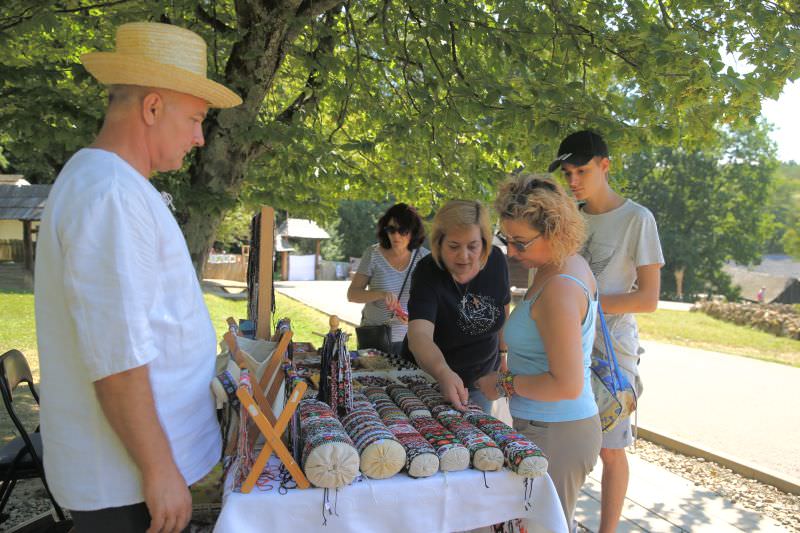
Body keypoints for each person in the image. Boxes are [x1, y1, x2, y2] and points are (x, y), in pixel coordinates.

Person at [34, 22, 241, 533]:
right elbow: (117, 358)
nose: (198, 137)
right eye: (195, 119)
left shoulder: (113, 184)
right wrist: (158, 469)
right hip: (121, 477)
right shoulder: (110, 195)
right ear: (152, 108)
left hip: (128, 469)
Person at [548, 130, 664, 533]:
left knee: (612, 452)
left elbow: (648, 298)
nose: (574, 180)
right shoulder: (568, 220)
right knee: (567, 447)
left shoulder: (637, 218)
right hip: (565, 349)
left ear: (604, 166)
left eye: (581, 170)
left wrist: (586, 303)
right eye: (567, 173)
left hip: (612, 354)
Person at [476, 173, 602, 529]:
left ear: (555, 231)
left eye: (520, 243)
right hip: (552, 426)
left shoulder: (560, 287)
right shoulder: (558, 265)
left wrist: (501, 384)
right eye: (507, 239)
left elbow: (565, 384)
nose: (511, 252)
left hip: (558, 430)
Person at [404, 200, 510, 413]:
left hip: (481, 377)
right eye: (453, 246)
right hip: (429, 378)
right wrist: (443, 372)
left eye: (473, 246)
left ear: (485, 243)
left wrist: (503, 354)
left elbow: (503, 308)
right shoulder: (427, 272)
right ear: (439, 243)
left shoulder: (497, 261)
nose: (463, 256)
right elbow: (419, 336)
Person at [347, 203, 429, 355]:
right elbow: (352, 294)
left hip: (411, 340)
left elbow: (434, 301)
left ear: (413, 231)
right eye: (391, 229)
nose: (396, 235)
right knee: (372, 378)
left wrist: (416, 317)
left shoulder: (424, 258)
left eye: (402, 230)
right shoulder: (373, 254)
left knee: (404, 379)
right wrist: (381, 294)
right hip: (374, 337)